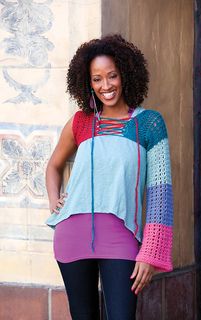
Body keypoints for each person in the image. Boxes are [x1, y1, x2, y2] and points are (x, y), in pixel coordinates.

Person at [45, 34, 173, 320]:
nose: (106, 86)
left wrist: (150, 251)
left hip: (121, 236)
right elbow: (53, 166)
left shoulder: (148, 124)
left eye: (112, 76)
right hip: (72, 235)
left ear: (125, 74)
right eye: (97, 79)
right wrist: (55, 201)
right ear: (87, 82)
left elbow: (160, 194)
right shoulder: (81, 122)